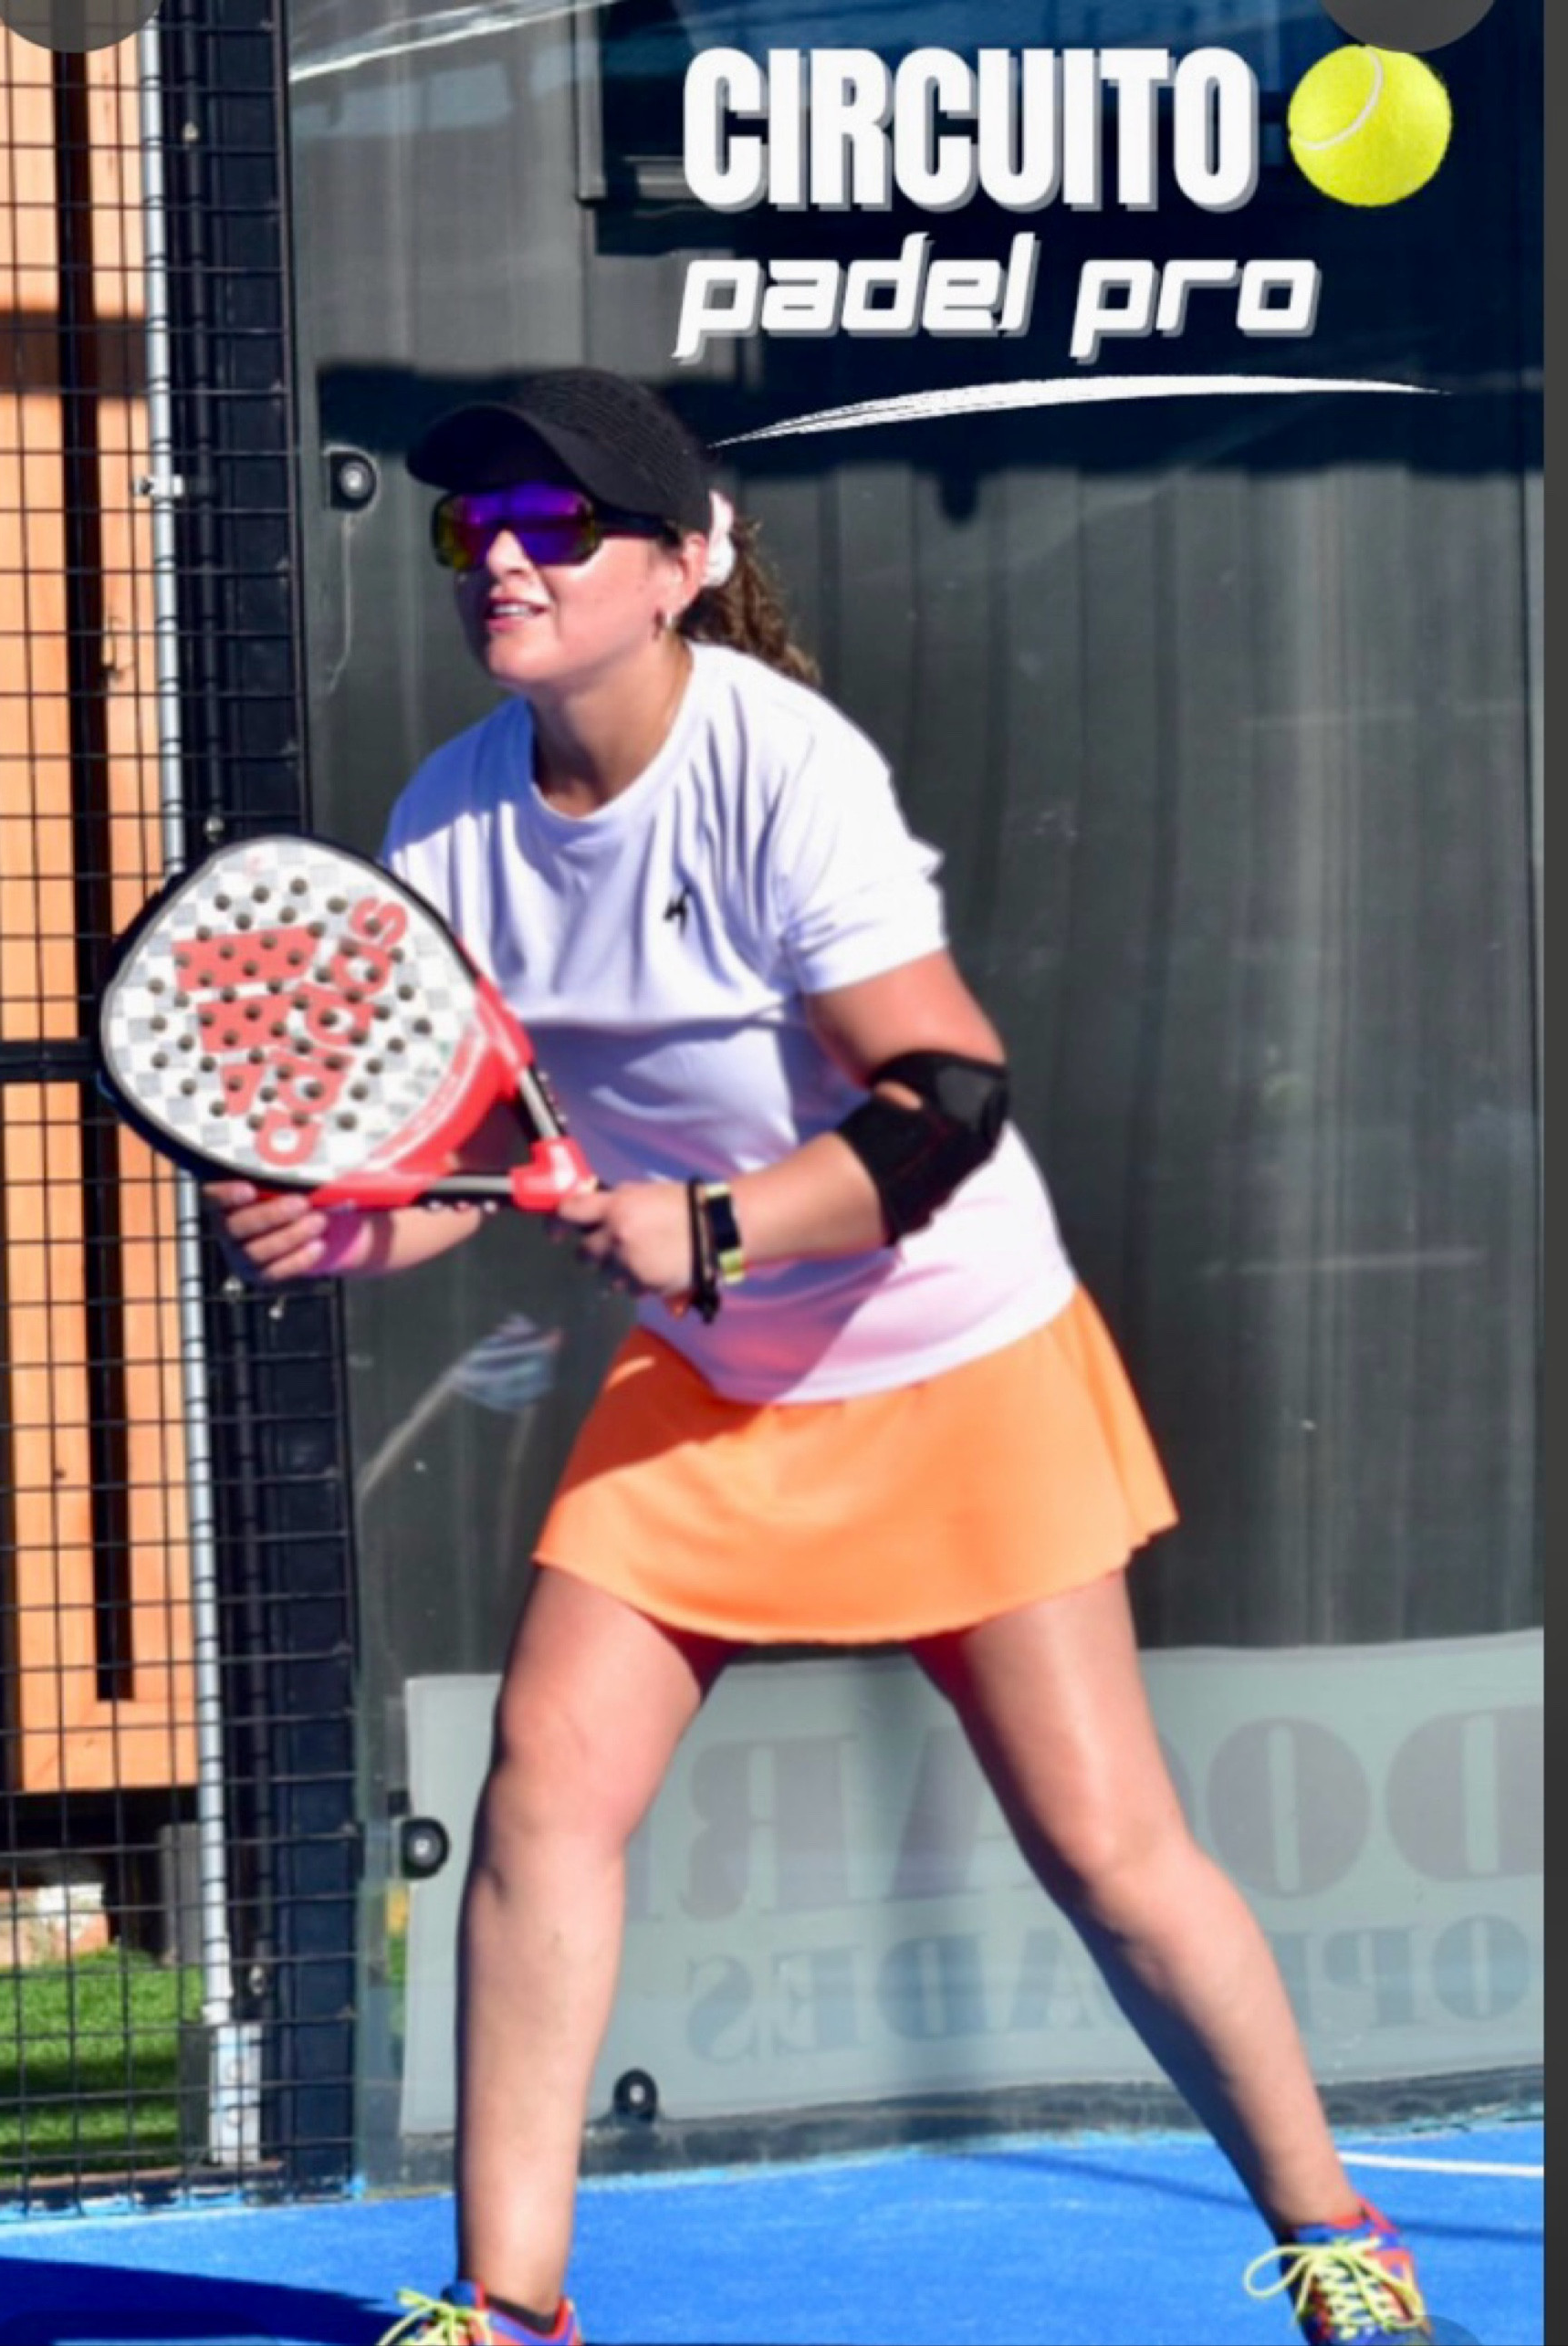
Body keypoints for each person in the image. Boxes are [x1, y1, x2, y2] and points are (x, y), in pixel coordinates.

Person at [210, 369, 1435, 2346]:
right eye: (470, 528)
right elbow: (485, 1146)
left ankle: (1340, 2243)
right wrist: (372, 1223)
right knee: (545, 1799)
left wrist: (711, 1224)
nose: (503, 559)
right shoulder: (451, 812)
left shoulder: (784, 770)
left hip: (956, 1359)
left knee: (1110, 1850)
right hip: (714, 1387)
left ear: (683, 564)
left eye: (555, 525)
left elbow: (946, 1101)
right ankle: (509, 2307)